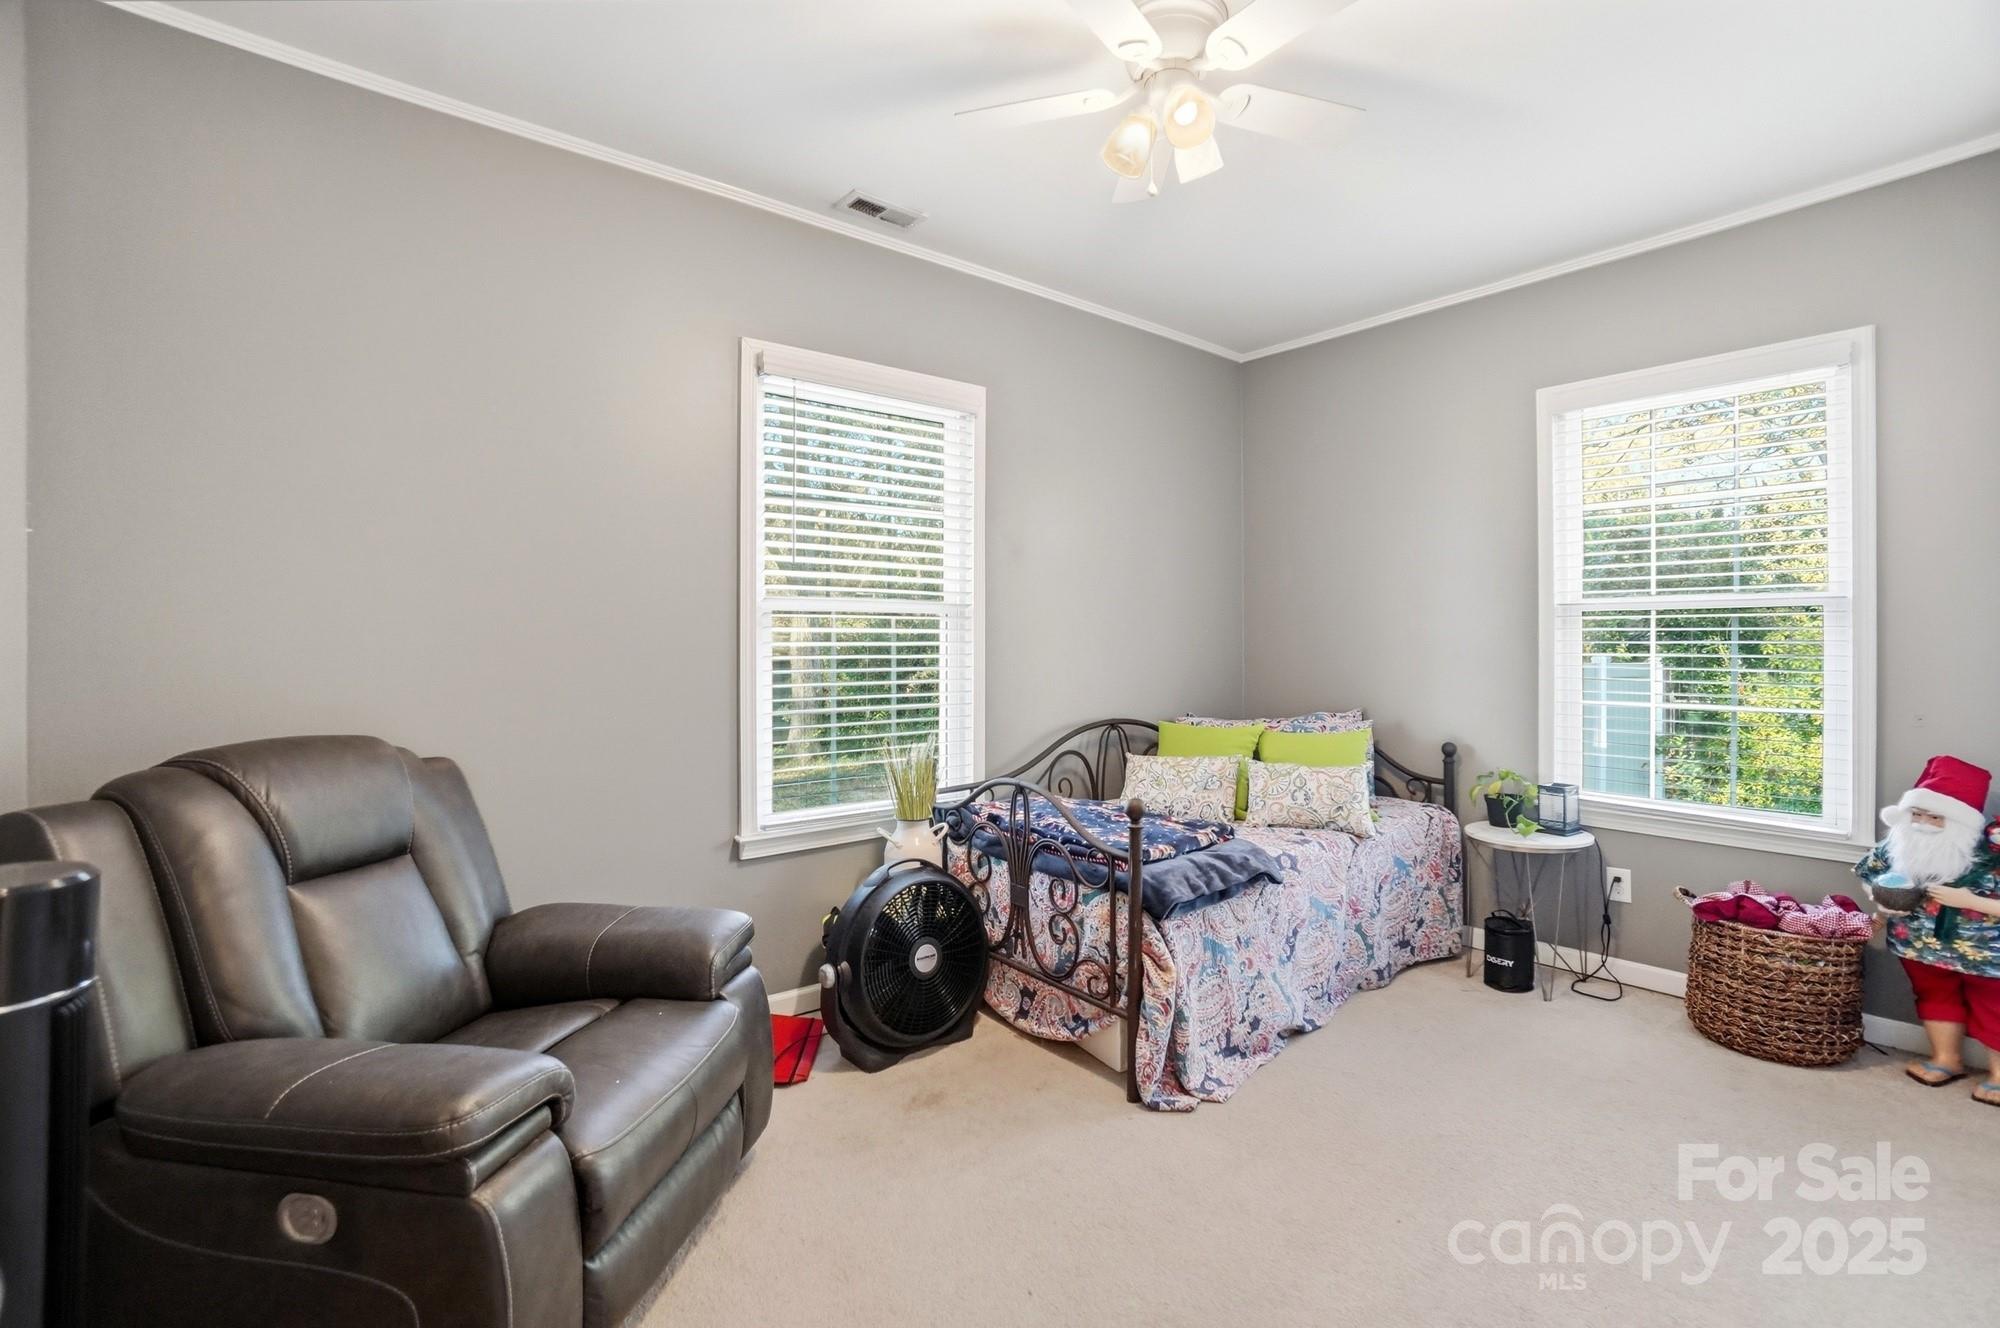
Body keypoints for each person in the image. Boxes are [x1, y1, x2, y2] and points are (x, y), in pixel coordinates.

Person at [1855, 755, 2000, 1105]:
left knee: (1994, 1006)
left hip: (1985, 955)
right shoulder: (1897, 846)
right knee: (1934, 997)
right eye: (1916, 815)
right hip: (1917, 944)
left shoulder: (1990, 854)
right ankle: (1946, 1059)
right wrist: (1884, 901)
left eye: (1934, 816)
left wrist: (1969, 900)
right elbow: (1870, 876)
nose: (1922, 823)